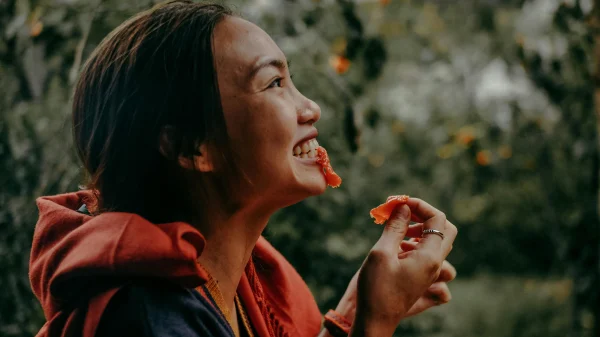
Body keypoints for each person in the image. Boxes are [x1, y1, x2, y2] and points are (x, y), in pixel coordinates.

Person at [29, 1, 458, 337]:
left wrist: (349, 319)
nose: (312, 107)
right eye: (274, 83)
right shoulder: (145, 318)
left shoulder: (235, 283)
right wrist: (374, 326)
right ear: (190, 147)